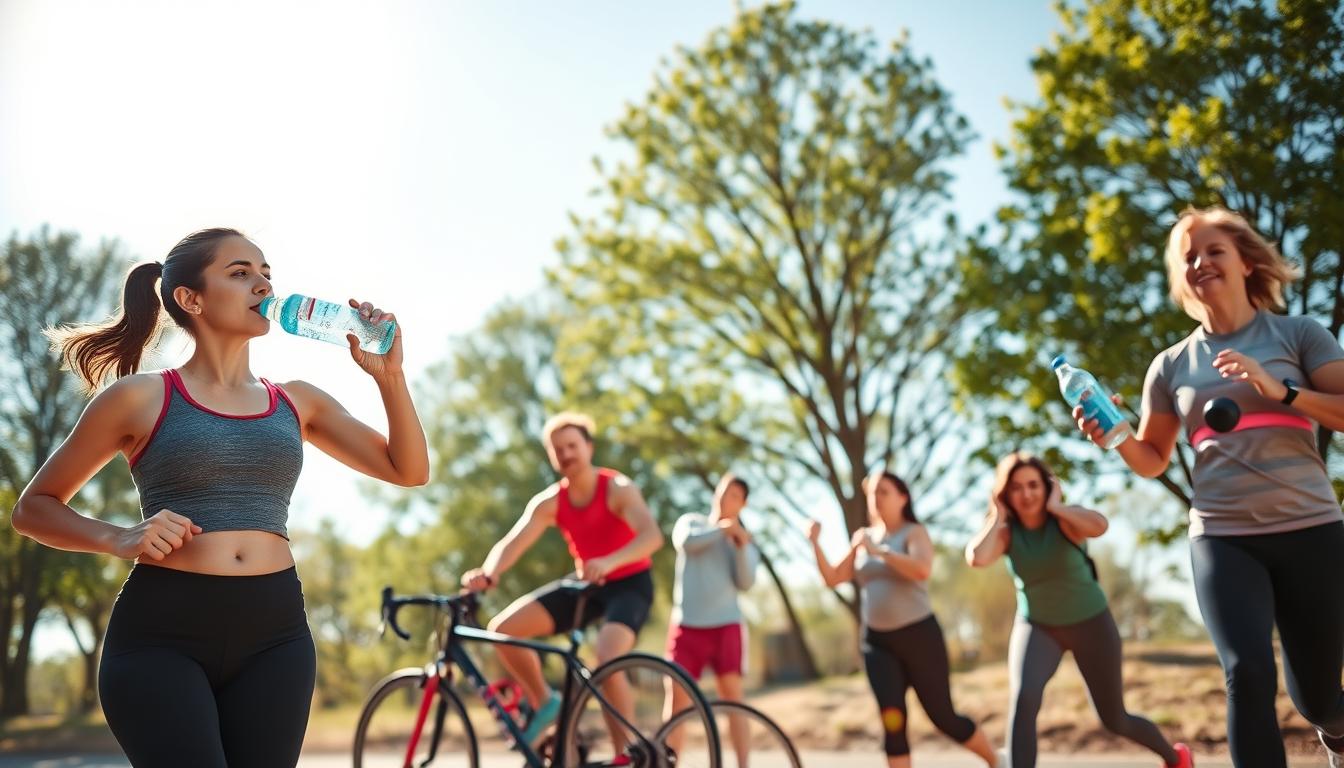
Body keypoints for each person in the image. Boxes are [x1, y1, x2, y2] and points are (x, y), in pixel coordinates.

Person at [10, 228, 429, 768]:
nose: (262, 283)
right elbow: (33, 508)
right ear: (190, 299)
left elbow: (409, 470)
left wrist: (390, 377)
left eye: (266, 273)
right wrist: (120, 537)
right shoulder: (141, 397)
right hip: (162, 637)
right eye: (240, 272)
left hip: (276, 636)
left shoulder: (297, 401)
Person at [1076, 207, 1344, 767]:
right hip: (1223, 535)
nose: (1199, 263)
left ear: (1247, 261)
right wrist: (1114, 437)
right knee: (1246, 671)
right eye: (1188, 257)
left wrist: (1283, 392)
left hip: (1312, 529)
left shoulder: (1299, 334)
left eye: (1212, 251)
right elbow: (1151, 458)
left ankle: (1335, 729)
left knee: (1319, 698)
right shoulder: (1170, 365)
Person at [965, 452, 1193, 768]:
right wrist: (997, 515)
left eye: (1033, 485)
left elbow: (1100, 525)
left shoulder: (1065, 521)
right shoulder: (1005, 532)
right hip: (1038, 625)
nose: (1026, 494)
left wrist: (1058, 507)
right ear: (1005, 493)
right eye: (1016, 488)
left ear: (1047, 487)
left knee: (1114, 719)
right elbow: (976, 557)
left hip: (1091, 623)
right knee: (1024, 698)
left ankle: (1175, 758)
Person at [460, 411, 663, 747]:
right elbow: (513, 541)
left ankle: (625, 753)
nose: (566, 454)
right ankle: (545, 702)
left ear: (589, 447)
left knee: (608, 659)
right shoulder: (551, 502)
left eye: (572, 445)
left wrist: (609, 562)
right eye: (558, 449)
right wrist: (489, 572)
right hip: (587, 585)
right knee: (502, 630)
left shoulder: (617, 488)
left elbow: (651, 537)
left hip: (630, 584)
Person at [806, 470, 998, 768]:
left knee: (943, 717)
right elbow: (833, 578)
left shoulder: (913, 533)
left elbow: (921, 570)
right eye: (872, 493)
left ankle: (996, 761)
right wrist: (815, 543)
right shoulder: (863, 538)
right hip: (877, 643)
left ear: (902, 497)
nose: (876, 498)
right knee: (892, 721)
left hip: (919, 638)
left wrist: (880, 552)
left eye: (884, 491)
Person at [664, 472, 759, 763]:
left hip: (725, 626)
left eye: (734, 495)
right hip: (687, 625)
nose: (725, 497)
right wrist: (723, 529)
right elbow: (687, 543)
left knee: (733, 699)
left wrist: (740, 545)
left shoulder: (742, 540)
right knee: (677, 698)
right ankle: (668, 761)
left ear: (741, 504)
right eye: (723, 490)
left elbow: (745, 581)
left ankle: (743, 763)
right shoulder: (691, 522)